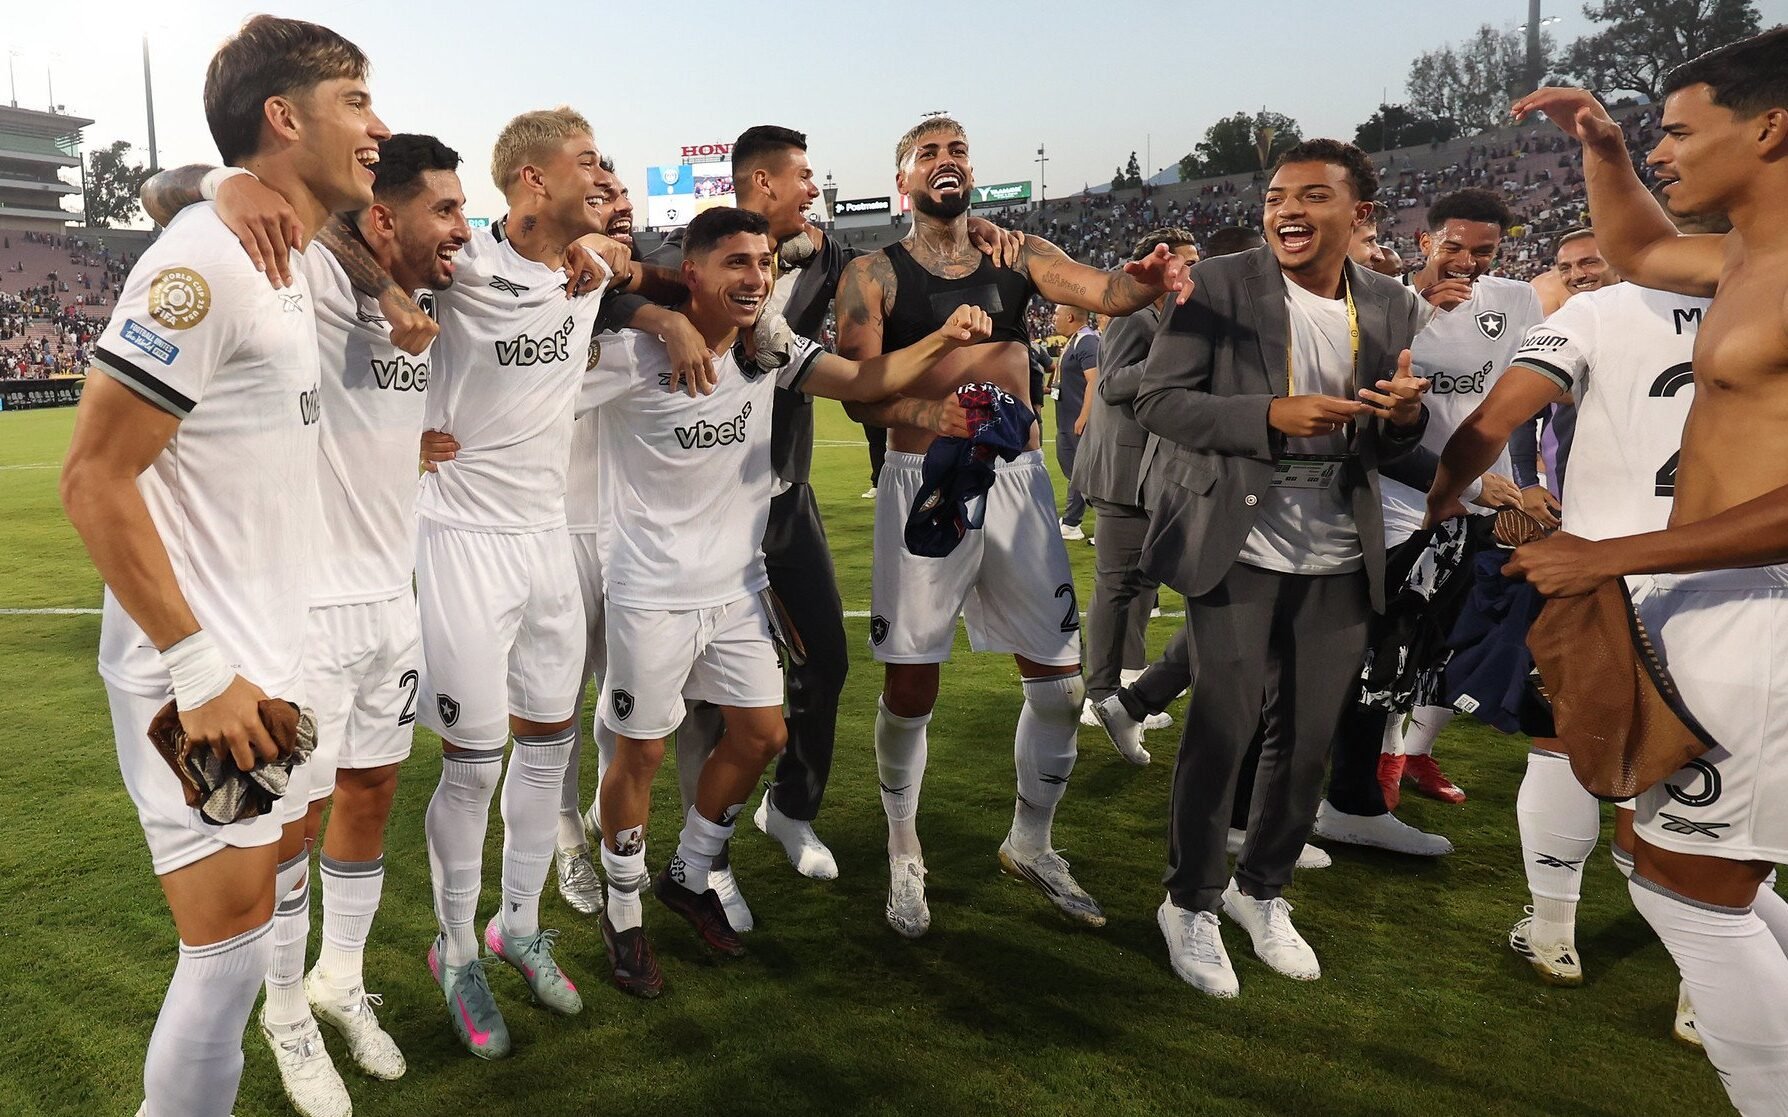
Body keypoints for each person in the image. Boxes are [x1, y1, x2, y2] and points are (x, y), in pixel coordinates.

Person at [58, 17, 387, 1116]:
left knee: (246, 938)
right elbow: (93, 478)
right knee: (224, 953)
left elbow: (186, 188)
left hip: (262, 655)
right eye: (356, 101)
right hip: (199, 678)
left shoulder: (278, 246)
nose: (377, 126)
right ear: (285, 118)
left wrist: (210, 182)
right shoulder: (210, 258)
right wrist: (198, 670)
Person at [141, 133, 469, 1115]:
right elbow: (162, 189)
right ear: (381, 217)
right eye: (443, 210)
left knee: (371, 794)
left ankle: (337, 977)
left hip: (389, 598)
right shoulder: (312, 270)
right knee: (295, 821)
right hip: (304, 609)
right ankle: (285, 1013)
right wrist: (224, 182)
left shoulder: (436, 291)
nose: (461, 227)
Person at [584, 206, 993, 994]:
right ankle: (624, 913)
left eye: (763, 263)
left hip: (737, 588)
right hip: (651, 592)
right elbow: (537, 391)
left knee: (764, 731)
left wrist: (944, 340)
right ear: (692, 272)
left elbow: (864, 380)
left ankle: (690, 872)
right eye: (736, 263)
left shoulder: (769, 347)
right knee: (640, 751)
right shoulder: (633, 353)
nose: (756, 277)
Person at [1505, 33, 1788, 1111]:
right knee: (1683, 871)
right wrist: (1606, 150)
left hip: (1761, 612)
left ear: (1767, 126)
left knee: (1693, 892)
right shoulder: (1746, 256)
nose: (1665, 153)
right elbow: (1635, 248)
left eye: (1678, 130)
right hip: (1713, 600)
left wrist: (1614, 551)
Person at [836, 115, 1188, 938]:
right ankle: (902, 847)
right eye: (928, 153)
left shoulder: (1017, 252)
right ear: (903, 182)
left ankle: (1031, 842)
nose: (946, 161)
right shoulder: (872, 273)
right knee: (912, 682)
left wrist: (1142, 280)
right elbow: (857, 390)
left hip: (1017, 484)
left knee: (1061, 686)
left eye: (957, 149)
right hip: (923, 486)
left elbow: (1104, 292)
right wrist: (933, 413)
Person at [1137, 139, 1431, 998]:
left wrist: (1403, 418)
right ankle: (1187, 900)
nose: (1287, 212)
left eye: (1311, 196)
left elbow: (1391, 443)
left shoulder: (1393, 304)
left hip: (1342, 542)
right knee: (1223, 724)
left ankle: (1261, 890)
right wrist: (1270, 414)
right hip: (1240, 533)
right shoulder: (1220, 285)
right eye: (1275, 197)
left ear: (1360, 214)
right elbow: (1160, 400)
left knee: (1306, 739)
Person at [1429, 193, 1727, 1043]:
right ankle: (1707, 983)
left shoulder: (1597, 314)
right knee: (1712, 777)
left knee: (1566, 744)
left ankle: (1555, 932)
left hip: (1607, 574)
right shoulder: (1761, 295)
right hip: (1740, 576)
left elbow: (1495, 418)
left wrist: (1446, 494)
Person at [410, 106, 628, 1060]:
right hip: (459, 537)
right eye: (588, 163)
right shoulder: (456, 268)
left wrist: (652, 301)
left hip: (546, 541)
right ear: (533, 182)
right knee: (473, 758)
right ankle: (456, 950)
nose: (606, 177)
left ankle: (519, 925)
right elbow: (343, 249)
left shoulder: (595, 267)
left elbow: (649, 280)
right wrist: (392, 427)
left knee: (549, 745)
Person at [1371, 188, 1539, 809]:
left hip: (1481, 499)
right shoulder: (1389, 304)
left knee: (1447, 632)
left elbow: (1528, 395)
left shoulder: (1517, 301)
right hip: (1396, 495)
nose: (1468, 262)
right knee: (1392, 633)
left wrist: (1525, 476)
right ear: (1425, 241)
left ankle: (1408, 752)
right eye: (1454, 247)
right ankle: (1373, 761)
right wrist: (1415, 310)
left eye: (1485, 251)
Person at [1076, 228, 1198, 763]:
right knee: (1116, 585)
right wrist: (1180, 366)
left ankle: (1127, 684)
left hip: (1151, 471)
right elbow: (1112, 384)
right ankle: (1098, 693)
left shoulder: (1168, 314)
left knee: (1142, 582)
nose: (1194, 273)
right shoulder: (1134, 314)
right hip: (1122, 471)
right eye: (1187, 262)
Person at [1051, 303, 1099, 541]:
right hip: (1067, 419)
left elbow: (1095, 380)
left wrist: (1084, 416)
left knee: (1083, 474)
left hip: (1077, 421)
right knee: (1075, 471)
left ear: (1070, 316)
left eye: (1057, 314)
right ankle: (1072, 521)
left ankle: (1089, 522)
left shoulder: (1087, 342)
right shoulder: (1074, 340)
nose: (1053, 318)